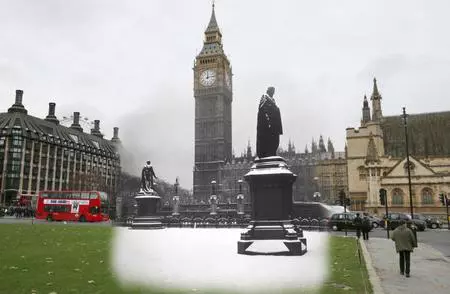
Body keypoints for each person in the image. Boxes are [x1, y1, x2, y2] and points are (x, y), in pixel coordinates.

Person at [256, 86, 283, 158]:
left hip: (274, 126)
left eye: (274, 92)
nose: (273, 93)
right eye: (272, 91)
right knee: (268, 140)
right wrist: (268, 121)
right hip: (267, 126)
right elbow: (262, 109)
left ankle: (272, 153)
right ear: (269, 91)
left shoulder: (273, 100)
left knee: (275, 141)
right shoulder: (265, 98)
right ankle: (267, 153)